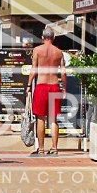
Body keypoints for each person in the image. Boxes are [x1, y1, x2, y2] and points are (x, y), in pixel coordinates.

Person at [28, 25, 70, 156]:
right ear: (54, 38)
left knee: (41, 118)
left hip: (42, 85)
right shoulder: (59, 52)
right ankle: (54, 148)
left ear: (42, 38)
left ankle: (41, 149)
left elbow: (34, 69)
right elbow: (63, 72)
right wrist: (64, 87)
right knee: (53, 119)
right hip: (54, 85)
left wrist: (29, 84)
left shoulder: (37, 50)